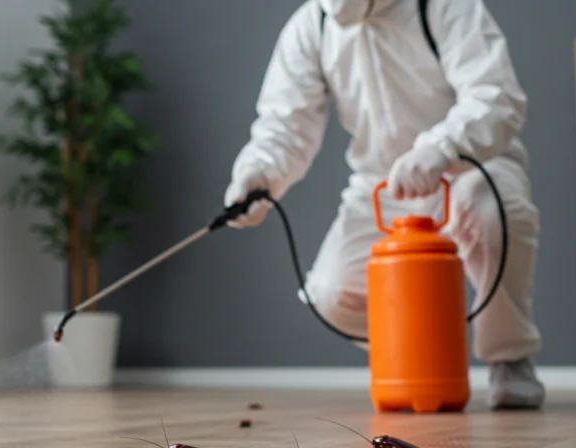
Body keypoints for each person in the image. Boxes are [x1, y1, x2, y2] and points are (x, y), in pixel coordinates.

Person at [223, 0, 544, 409]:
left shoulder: (441, 6)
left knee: (492, 214)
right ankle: (422, 355)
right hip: (382, 186)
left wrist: (441, 148)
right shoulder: (311, 27)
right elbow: (285, 126)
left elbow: (496, 96)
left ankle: (509, 358)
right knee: (331, 295)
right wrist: (258, 175)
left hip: (467, 166)